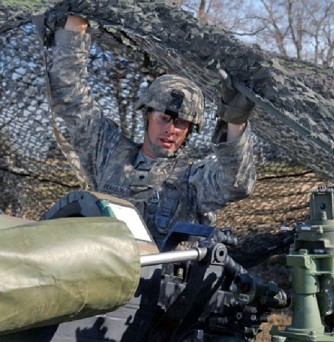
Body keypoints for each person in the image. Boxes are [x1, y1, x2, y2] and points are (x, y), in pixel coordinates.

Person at [48, 15, 256, 246]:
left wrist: (235, 122)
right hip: (106, 274)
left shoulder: (192, 178)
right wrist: (77, 23)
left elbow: (237, 183)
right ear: (147, 115)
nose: (171, 129)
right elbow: (71, 100)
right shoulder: (108, 152)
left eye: (181, 124)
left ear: (189, 131)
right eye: (164, 118)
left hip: (162, 280)